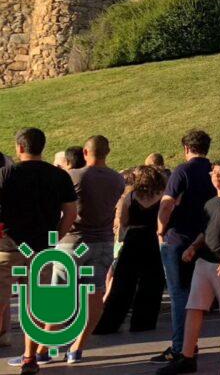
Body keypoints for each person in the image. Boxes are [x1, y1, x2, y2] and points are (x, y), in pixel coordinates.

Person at [158, 159, 220, 374]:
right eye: (214, 173)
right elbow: (206, 231)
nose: (216, 177)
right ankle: (187, 357)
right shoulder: (209, 203)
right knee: (194, 306)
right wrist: (193, 247)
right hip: (204, 261)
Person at [0, 128, 77, 375]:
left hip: (8, 246)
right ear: (42, 147)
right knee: (34, 305)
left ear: (19, 147)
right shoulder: (59, 176)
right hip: (42, 247)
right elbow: (70, 213)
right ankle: (29, 357)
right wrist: (57, 235)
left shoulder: (6, 173)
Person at [43, 135, 125, 364]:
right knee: (95, 294)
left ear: (86, 153)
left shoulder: (74, 176)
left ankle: (44, 348)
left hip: (74, 241)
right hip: (103, 242)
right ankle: (77, 347)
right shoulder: (117, 179)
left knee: (59, 295)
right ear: (107, 153)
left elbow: (61, 208)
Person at [152, 129, 217, 366]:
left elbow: (166, 204)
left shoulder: (183, 171)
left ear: (186, 148)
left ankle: (181, 346)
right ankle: (189, 343)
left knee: (179, 294)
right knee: (196, 295)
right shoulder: (213, 172)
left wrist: (160, 229)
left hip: (179, 238)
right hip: (204, 238)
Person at [94, 165, 167, 334]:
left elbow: (123, 220)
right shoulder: (162, 196)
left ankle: (110, 322)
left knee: (123, 282)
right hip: (152, 239)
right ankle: (143, 322)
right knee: (151, 281)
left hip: (133, 238)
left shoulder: (131, 196)